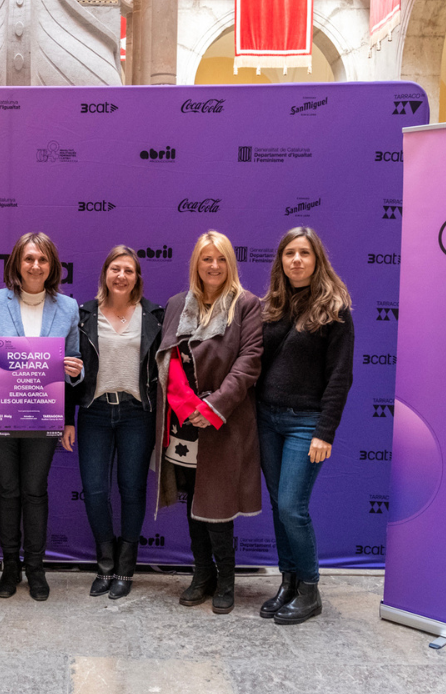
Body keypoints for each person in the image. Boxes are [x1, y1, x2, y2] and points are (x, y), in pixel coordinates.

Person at [151, 230, 262, 614]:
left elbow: (249, 362)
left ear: (230, 263)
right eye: (205, 259)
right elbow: (167, 356)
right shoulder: (176, 304)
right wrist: (184, 405)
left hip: (223, 422)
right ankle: (202, 575)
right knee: (194, 500)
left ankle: (226, 580)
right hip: (183, 423)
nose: (213, 266)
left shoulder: (247, 305)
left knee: (217, 503)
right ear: (195, 264)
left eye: (220, 259)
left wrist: (213, 406)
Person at [0, 232, 83, 601]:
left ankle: (36, 568)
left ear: (53, 267)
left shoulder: (67, 306)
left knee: (34, 491)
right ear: (17, 263)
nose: (36, 266)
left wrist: (74, 370)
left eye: (43, 260)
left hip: (44, 413)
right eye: (29, 258)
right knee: (8, 489)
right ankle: (10, 567)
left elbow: (77, 365)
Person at [256, 226, 354, 625]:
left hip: (305, 424)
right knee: (279, 506)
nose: (296, 259)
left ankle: (310, 590)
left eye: (304, 253)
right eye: (289, 253)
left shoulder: (335, 309)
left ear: (317, 260)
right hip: (266, 419)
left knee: (294, 508)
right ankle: (289, 581)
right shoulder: (271, 306)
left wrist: (324, 432)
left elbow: (340, 377)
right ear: (281, 261)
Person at [68, 246, 164, 599]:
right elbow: (68, 371)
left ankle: (127, 569)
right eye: (115, 269)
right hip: (93, 412)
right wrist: (67, 419)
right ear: (105, 274)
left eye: (128, 270)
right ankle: (105, 566)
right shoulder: (84, 315)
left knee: (132, 490)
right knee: (94, 491)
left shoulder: (154, 315)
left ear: (137, 278)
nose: (121, 276)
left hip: (137, 414)